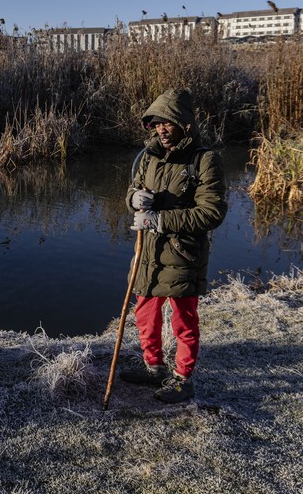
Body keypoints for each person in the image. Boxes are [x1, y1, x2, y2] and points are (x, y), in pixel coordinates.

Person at [121, 88, 227, 404]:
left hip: (183, 254)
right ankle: (153, 367)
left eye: (167, 123)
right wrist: (132, 200)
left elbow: (212, 212)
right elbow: (133, 191)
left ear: (185, 124)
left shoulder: (205, 160)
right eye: (156, 124)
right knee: (144, 313)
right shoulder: (147, 157)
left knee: (183, 320)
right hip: (148, 254)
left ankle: (182, 379)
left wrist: (160, 220)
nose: (161, 129)